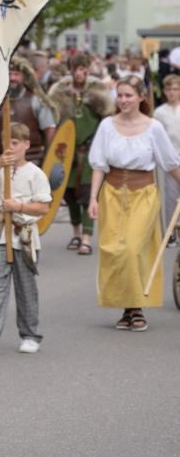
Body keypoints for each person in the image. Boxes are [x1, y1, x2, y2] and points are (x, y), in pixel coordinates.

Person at [87, 75, 180, 331]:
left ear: (141, 97)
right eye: (120, 95)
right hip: (112, 194)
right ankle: (127, 307)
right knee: (114, 251)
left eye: (129, 95)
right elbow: (98, 165)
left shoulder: (153, 127)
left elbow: (170, 163)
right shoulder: (107, 126)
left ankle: (136, 306)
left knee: (132, 249)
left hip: (143, 195)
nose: (124, 100)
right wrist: (93, 198)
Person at [0, 122, 51, 356]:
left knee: (26, 288)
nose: (10, 147)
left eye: (15, 143)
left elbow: (43, 207)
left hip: (23, 236)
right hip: (0, 235)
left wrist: (19, 206)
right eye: (6, 142)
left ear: (26, 145)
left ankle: (30, 335)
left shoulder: (35, 173)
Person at [49, 53, 114, 256]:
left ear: (88, 70)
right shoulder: (60, 91)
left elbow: (108, 119)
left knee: (88, 194)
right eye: (76, 69)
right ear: (71, 70)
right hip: (66, 151)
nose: (79, 73)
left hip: (89, 150)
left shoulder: (98, 91)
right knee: (69, 194)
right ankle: (76, 233)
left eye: (83, 69)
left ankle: (86, 237)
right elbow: (52, 117)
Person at [0, 55, 56, 168]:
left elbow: (50, 132)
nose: (12, 78)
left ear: (24, 77)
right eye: (9, 74)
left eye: (17, 74)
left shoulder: (37, 100)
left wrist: (48, 161)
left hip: (29, 162)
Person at [153, 74, 180, 246]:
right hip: (171, 159)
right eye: (169, 89)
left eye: (176, 89)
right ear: (164, 91)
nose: (172, 92)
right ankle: (171, 232)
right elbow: (158, 139)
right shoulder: (160, 112)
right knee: (171, 196)